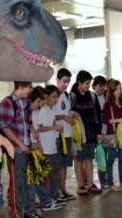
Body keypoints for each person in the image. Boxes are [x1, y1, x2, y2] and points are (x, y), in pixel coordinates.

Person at [0, 81, 42, 218]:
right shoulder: (7, 102)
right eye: (29, 87)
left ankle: (30, 211)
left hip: (27, 147)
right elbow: (5, 128)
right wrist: (20, 143)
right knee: (18, 183)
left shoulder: (28, 103)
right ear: (21, 86)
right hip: (15, 150)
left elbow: (28, 122)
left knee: (30, 181)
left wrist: (32, 130)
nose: (31, 90)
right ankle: (17, 214)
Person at [70, 70, 103, 195]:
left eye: (89, 84)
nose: (88, 86)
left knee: (89, 158)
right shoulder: (72, 97)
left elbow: (97, 115)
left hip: (90, 133)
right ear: (79, 82)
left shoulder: (92, 97)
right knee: (78, 159)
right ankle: (80, 185)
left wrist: (98, 131)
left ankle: (90, 183)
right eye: (87, 84)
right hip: (78, 135)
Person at [53, 68, 77, 201]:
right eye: (64, 81)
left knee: (64, 164)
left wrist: (72, 115)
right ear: (57, 80)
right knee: (57, 164)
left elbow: (67, 112)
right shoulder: (53, 95)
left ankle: (62, 189)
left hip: (67, 133)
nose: (66, 84)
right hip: (57, 135)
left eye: (68, 82)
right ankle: (56, 190)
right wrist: (63, 117)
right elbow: (48, 116)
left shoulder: (67, 96)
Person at [102, 80, 122, 191]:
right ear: (111, 91)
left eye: (120, 88)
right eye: (116, 89)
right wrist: (119, 120)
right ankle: (110, 183)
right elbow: (105, 120)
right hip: (112, 134)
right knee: (111, 158)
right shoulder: (108, 104)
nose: (119, 91)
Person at [92, 76, 108, 188]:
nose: (102, 88)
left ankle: (104, 178)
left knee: (104, 155)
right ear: (94, 86)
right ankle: (100, 179)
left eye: (104, 85)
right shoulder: (92, 98)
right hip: (95, 131)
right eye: (100, 85)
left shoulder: (105, 98)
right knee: (99, 155)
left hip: (105, 130)